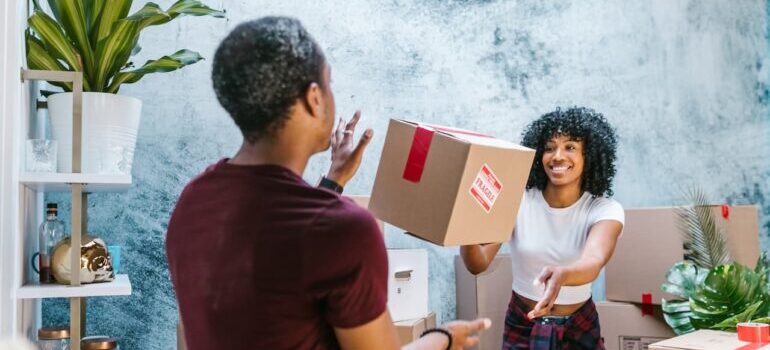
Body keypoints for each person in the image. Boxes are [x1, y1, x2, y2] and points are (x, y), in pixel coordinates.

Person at [166, 16, 489, 350]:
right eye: (330, 83)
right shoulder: (346, 231)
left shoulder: (193, 202)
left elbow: (274, 290)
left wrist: (333, 181)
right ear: (314, 98)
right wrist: (443, 338)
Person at [460, 107, 624, 349]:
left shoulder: (604, 210)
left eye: (570, 147)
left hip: (579, 326)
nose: (557, 156)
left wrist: (564, 275)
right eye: (549, 147)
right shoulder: (516, 201)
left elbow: (594, 259)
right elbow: (478, 263)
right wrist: (462, 227)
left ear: (589, 155)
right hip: (523, 323)